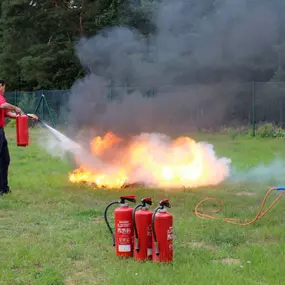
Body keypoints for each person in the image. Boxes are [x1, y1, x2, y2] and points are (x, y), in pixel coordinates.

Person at [0, 79, 38, 195]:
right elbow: (3, 106)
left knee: (5, 160)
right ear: (0, 85)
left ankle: (3, 188)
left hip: (1, 132)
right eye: (4, 87)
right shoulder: (0, 99)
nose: (4, 90)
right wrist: (16, 108)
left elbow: (7, 113)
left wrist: (24, 116)